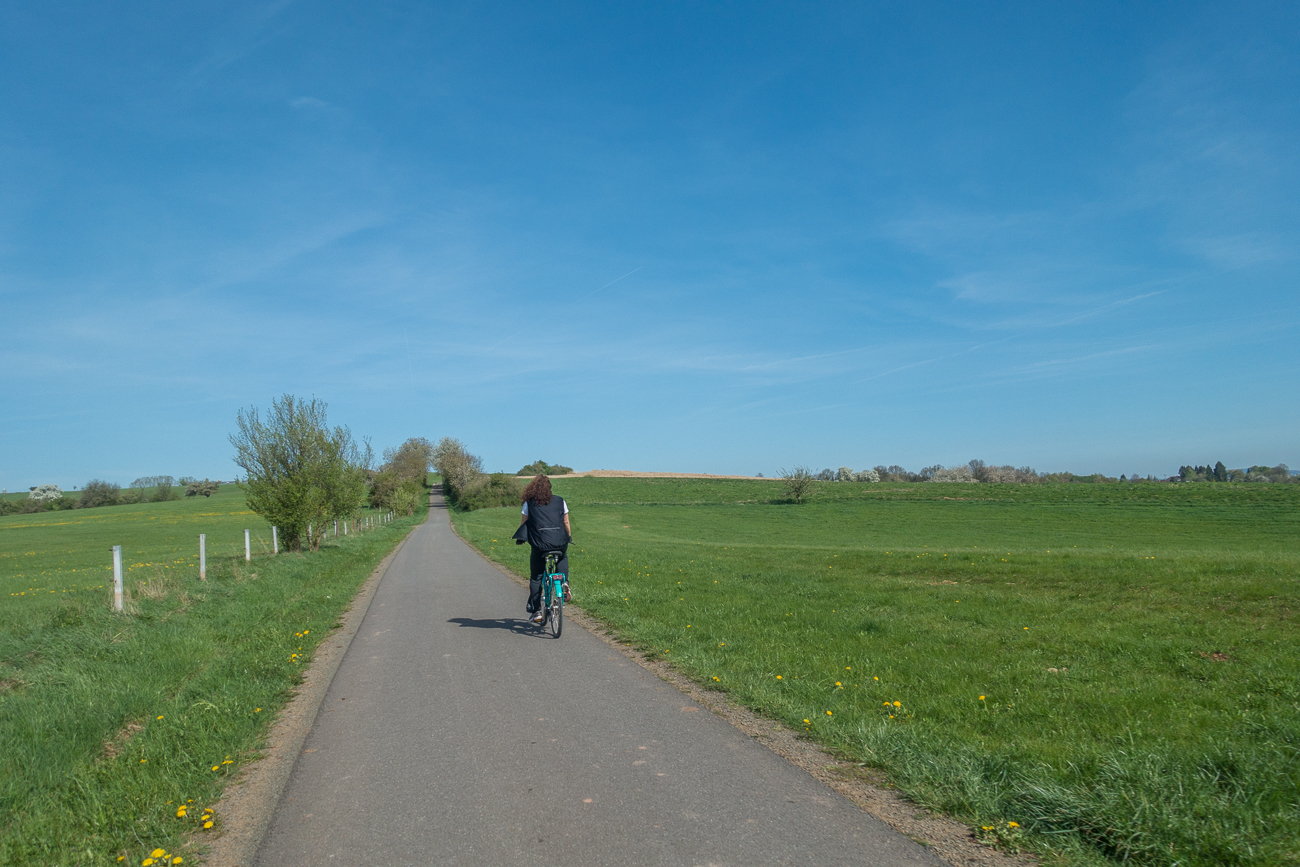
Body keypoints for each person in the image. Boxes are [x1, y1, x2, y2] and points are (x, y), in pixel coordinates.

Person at [512, 474, 571, 622]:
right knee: (562, 557)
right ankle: (564, 583)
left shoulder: (529, 503)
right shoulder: (560, 501)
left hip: (540, 544)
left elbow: (524, 524)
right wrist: (568, 537)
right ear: (550, 488)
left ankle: (537, 610)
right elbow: (566, 522)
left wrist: (522, 538)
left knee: (537, 576)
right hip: (559, 542)